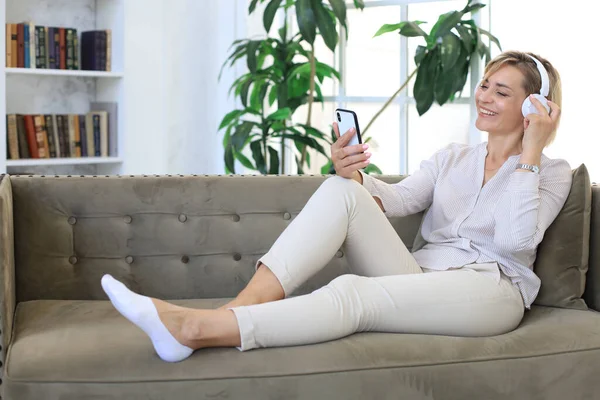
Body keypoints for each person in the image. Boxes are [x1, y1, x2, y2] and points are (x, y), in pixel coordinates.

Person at [101, 50, 571, 363]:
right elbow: (399, 199)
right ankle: (235, 311)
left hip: (489, 292)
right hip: (422, 278)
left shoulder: (550, 173)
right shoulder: (453, 157)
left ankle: (195, 329)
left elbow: (514, 241)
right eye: (485, 85)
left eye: (501, 92)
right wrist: (354, 175)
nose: (484, 97)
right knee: (339, 190)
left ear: (535, 107)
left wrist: (530, 151)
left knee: (352, 292)